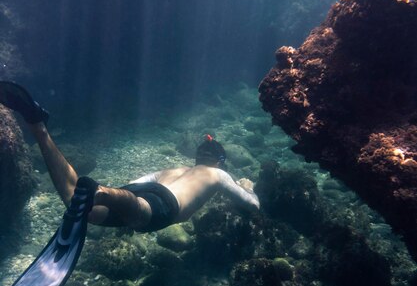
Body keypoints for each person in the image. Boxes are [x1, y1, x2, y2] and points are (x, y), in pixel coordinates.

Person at [0, 81, 260, 233]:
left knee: (78, 203)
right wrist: (247, 187)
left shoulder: (176, 169)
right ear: (219, 161)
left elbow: (139, 183)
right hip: (161, 205)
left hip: (140, 190)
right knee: (139, 210)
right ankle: (101, 193)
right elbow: (251, 205)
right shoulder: (217, 173)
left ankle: (39, 127)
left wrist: (115, 194)